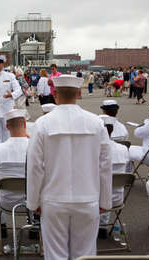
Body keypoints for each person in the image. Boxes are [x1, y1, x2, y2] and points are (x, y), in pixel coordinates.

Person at [27, 75, 112, 260]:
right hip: (88, 198)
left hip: (53, 199)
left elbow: (34, 166)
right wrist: (105, 200)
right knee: (85, 254)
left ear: (54, 94)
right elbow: (105, 165)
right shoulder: (96, 123)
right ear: (79, 93)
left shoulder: (42, 123)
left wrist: (33, 202)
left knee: (55, 255)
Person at [0, 109, 28, 238]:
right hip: (33, 201)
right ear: (25, 125)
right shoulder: (35, 146)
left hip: (6, 200)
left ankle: (2, 224)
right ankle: (35, 224)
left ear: (6, 127)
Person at [98, 115, 129, 239]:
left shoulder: (92, 150)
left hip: (95, 201)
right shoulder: (123, 149)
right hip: (117, 199)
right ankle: (102, 226)